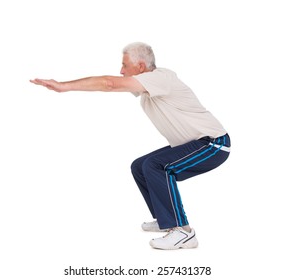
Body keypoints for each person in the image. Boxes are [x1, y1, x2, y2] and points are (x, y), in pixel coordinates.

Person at [30, 42, 230, 250]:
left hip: (214, 144)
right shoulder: (149, 85)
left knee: (156, 165)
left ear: (141, 67)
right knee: (140, 166)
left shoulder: (160, 78)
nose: (121, 71)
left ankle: (183, 231)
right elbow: (109, 84)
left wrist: (63, 86)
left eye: (124, 65)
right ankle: (166, 219)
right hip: (196, 144)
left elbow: (109, 83)